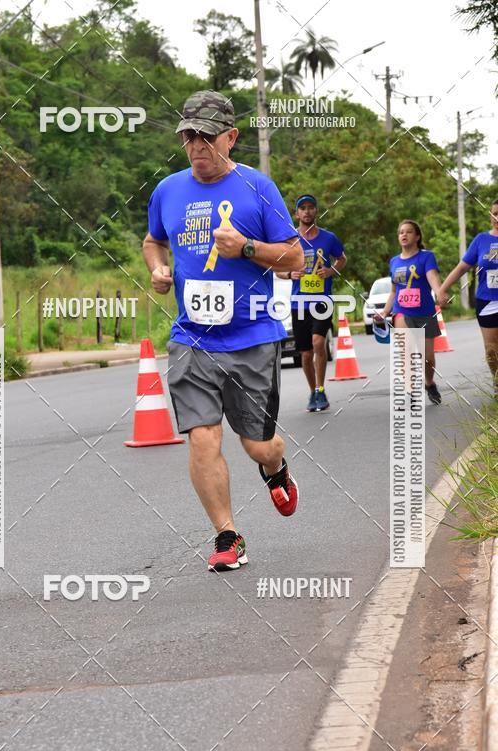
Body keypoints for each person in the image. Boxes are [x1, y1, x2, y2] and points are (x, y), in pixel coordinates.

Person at [142, 90, 304, 572]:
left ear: (231, 138)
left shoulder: (259, 189)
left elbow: (295, 258)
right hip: (192, 337)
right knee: (203, 438)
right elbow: (153, 240)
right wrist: (158, 268)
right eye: (189, 136)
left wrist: (248, 248)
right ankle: (227, 535)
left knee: (258, 444)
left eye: (207, 137)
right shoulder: (167, 190)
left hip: (252, 337)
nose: (197, 146)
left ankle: (274, 470)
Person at [278, 195, 346, 411]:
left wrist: (330, 271)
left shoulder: (328, 238)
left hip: (321, 301)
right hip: (298, 303)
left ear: (316, 211)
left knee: (318, 342)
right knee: (305, 353)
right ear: (296, 214)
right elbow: (276, 269)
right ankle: (313, 392)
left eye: (311, 208)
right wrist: (290, 274)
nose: (307, 212)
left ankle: (321, 388)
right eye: (303, 209)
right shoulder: (290, 241)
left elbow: (342, 258)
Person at [374, 220, 447, 405]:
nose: (404, 235)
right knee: (406, 352)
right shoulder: (394, 262)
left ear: (417, 236)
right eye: (400, 232)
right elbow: (393, 291)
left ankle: (429, 383)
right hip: (401, 311)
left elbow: (433, 279)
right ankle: (411, 389)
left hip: (424, 312)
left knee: (427, 358)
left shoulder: (426, 257)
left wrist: (440, 293)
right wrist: (385, 312)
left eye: (408, 232)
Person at [438, 199, 498, 395]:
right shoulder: (481, 240)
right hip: (487, 300)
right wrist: (442, 289)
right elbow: (463, 267)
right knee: (491, 349)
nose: (497, 218)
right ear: (490, 215)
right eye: (494, 213)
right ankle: (497, 382)